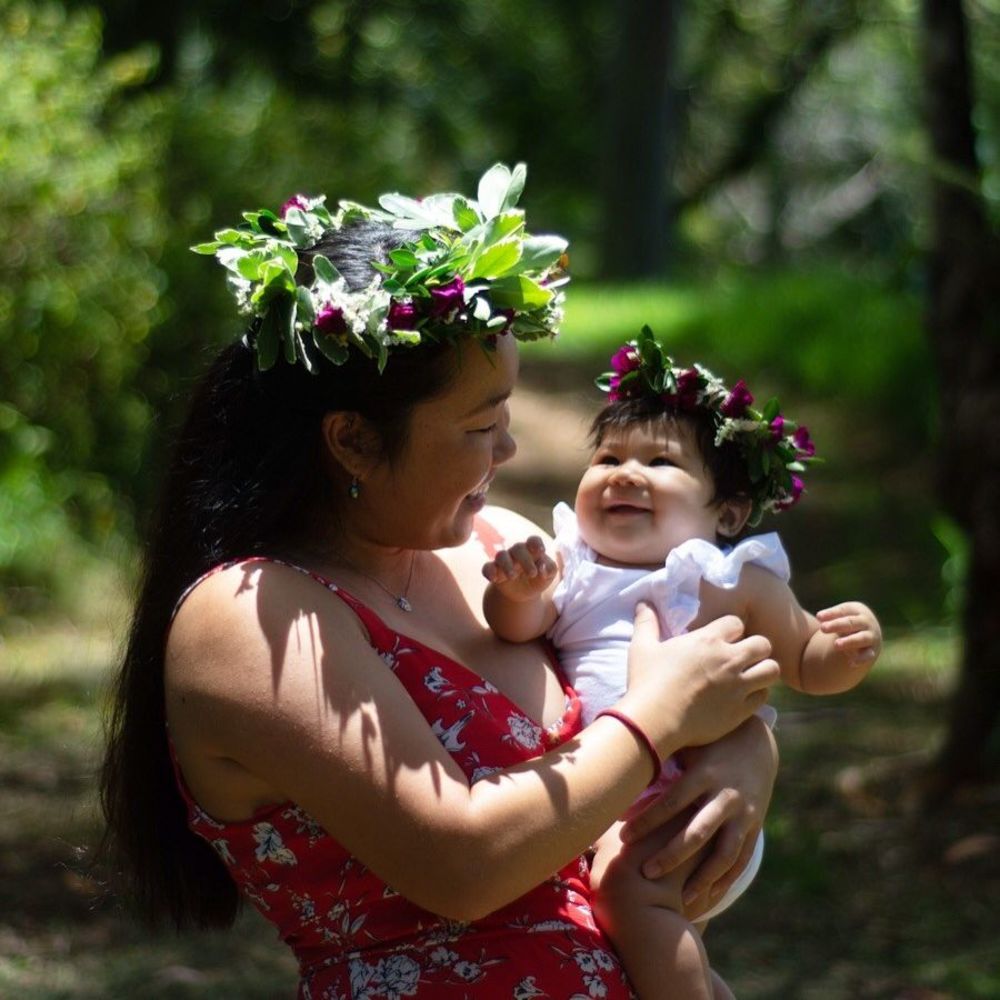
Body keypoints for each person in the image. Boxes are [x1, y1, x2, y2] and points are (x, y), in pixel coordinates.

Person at [99, 166, 782, 999]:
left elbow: (677, 664)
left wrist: (747, 755)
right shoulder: (253, 619)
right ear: (351, 439)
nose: (509, 453)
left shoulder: (510, 548)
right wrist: (660, 722)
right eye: (480, 426)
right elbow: (461, 864)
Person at [482, 325, 883, 1000]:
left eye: (660, 464)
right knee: (631, 925)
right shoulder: (574, 570)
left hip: (694, 800)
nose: (625, 474)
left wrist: (848, 646)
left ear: (726, 513)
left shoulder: (732, 581)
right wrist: (516, 593)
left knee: (629, 898)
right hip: (604, 796)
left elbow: (808, 662)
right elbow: (515, 625)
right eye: (607, 458)